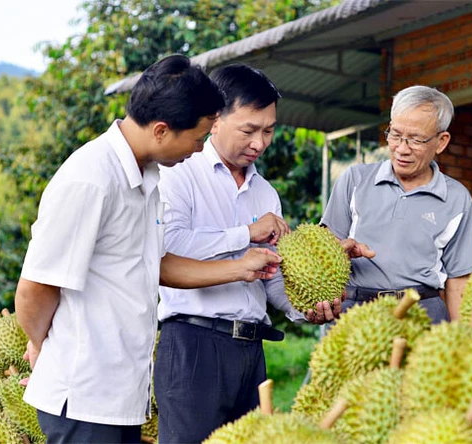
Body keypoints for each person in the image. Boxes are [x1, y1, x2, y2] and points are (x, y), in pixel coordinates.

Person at [14, 54, 283, 444]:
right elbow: (35, 288)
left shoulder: (147, 177)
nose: (197, 148)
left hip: (122, 395)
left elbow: (157, 264)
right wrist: (44, 347)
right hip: (83, 393)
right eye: (195, 138)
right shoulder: (91, 178)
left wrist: (243, 268)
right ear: (161, 130)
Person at [153, 63, 367, 443]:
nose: (260, 142)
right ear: (215, 120)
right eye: (249, 130)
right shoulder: (179, 173)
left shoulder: (265, 193)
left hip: (251, 348)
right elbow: (167, 251)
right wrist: (246, 234)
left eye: (268, 130)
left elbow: (269, 278)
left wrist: (306, 308)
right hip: (192, 344)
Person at [320, 85, 472, 324]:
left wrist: (467, 341)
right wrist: (339, 250)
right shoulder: (355, 179)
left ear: (441, 142)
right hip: (356, 311)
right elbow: (324, 245)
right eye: (395, 135)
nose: (401, 149)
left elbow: (459, 280)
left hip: (423, 314)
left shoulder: (457, 198)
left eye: (416, 140)